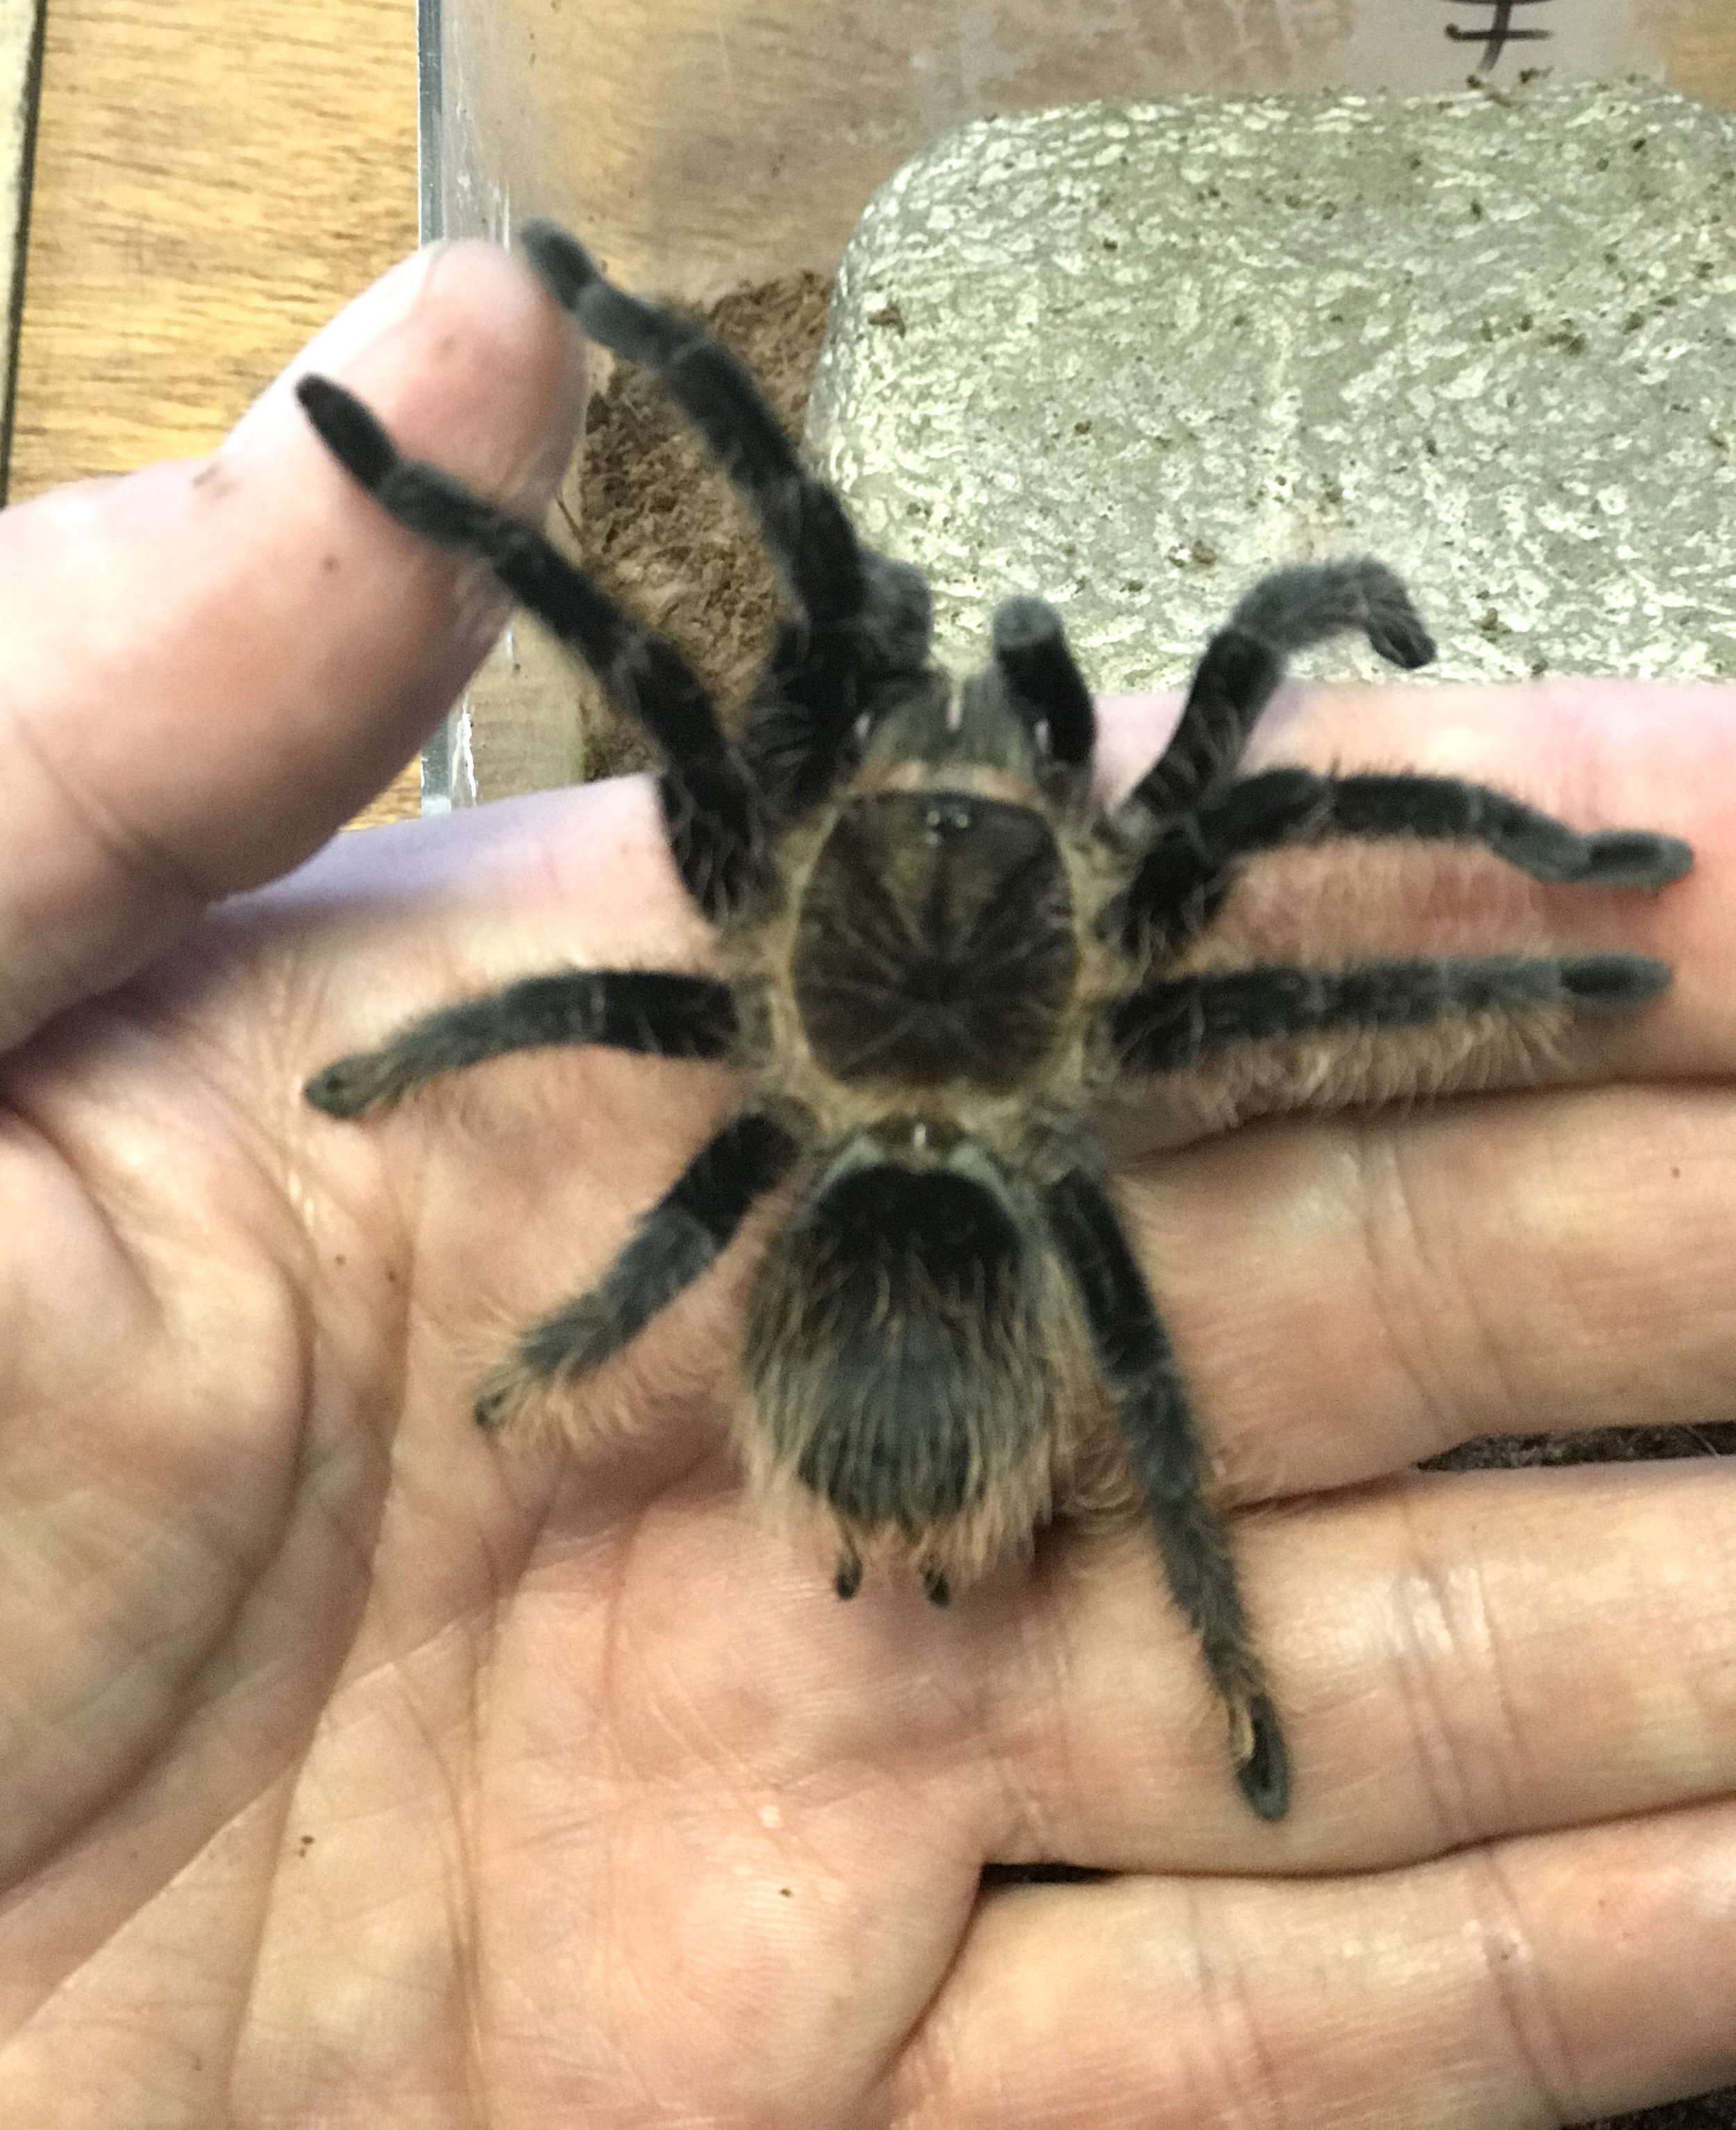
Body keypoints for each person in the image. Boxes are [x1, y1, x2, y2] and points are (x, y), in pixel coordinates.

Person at [0, 240, 1731, 2126]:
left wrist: (501, 473)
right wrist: (1537, 907)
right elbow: (1259, 772)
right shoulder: (1126, 986)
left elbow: (638, 677)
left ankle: (1211, 1652)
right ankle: (1219, 1662)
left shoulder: (740, 949)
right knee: (1235, 854)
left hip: (849, 1206)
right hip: (998, 1190)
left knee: (673, 671)